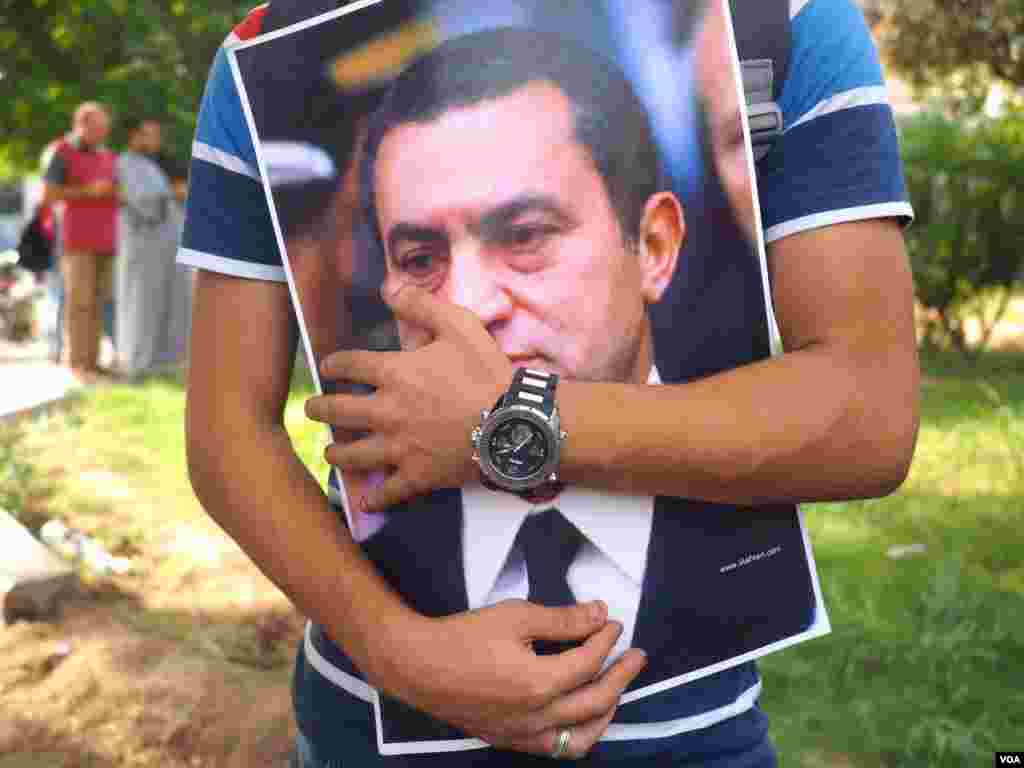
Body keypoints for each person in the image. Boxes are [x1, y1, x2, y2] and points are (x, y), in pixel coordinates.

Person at [181, 1, 919, 765]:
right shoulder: (271, 45)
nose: (466, 307)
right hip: (362, 732)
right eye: (420, 258)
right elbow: (227, 435)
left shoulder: (789, 16)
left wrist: (504, 423)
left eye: (526, 235)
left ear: (657, 246)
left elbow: (868, 415)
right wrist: (400, 655)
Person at [42, 101, 119, 379]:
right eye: (97, 128)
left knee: (100, 301)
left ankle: (92, 362)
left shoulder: (109, 156)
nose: (102, 134)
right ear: (81, 124)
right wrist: (88, 191)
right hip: (75, 239)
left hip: (107, 238)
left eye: (104, 129)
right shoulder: (61, 152)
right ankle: (76, 364)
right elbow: (49, 195)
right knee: (79, 302)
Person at [115, 116, 189, 379]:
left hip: (168, 242)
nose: (155, 140)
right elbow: (141, 200)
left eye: (157, 134)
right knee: (141, 302)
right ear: (135, 136)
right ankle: (137, 360)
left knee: (172, 301)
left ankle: (164, 360)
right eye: (149, 134)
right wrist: (172, 193)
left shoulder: (157, 164)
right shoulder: (124, 163)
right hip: (142, 243)